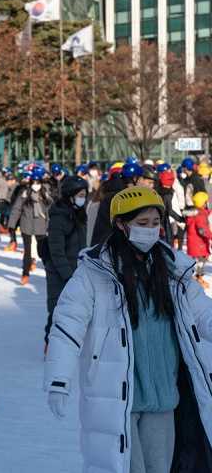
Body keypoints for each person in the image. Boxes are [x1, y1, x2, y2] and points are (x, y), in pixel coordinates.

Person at [45, 186, 212, 473]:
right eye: (142, 224)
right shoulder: (95, 272)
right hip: (118, 396)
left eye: (156, 223)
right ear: (121, 225)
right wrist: (58, 379)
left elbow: (204, 315)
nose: (151, 230)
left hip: (163, 395)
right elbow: (67, 327)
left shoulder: (173, 269)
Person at [43, 176, 88, 348]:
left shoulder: (79, 215)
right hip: (59, 273)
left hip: (77, 271)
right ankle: (51, 343)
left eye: (85, 195)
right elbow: (56, 251)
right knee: (57, 309)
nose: (83, 198)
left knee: (77, 310)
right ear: (70, 195)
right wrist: (68, 275)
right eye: (80, 195)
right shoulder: (59, 217)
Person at [8, 167, 52, 285]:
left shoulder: (45, 193)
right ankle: (25, 274)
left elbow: (50, 209)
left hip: (41, 225)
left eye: (38, 182)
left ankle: (49, 272)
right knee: (27, 251)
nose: (36, 185)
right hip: (26, 224)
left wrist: (50, 224)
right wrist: (12, 224)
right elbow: (17, 209)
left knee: (42, 250)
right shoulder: (25, 193)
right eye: (34, 182)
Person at [186, 191, 211, 289]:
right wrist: (210, 236)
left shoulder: (195, 212)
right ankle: (198, 279)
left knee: (199, 261)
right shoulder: (200, 215)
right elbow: (202, 230)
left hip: (194, 243)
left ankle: (197, 277)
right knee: (200, 261)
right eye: (206, 202)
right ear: (203, 203)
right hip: (198, 244)